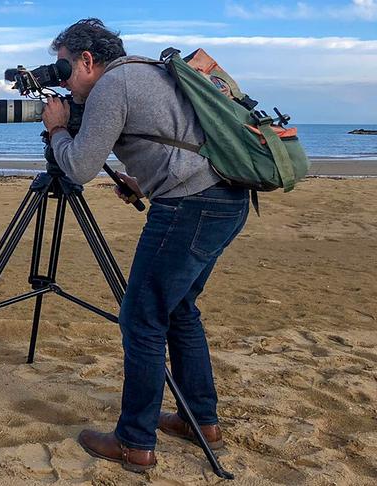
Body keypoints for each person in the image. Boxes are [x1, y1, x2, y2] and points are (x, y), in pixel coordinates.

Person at [41, 18, 249, 473]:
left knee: (142, 317)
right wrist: (145, 181)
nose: (63, 81)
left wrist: (57, 129)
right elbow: (181, 145)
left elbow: (77, 166)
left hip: (189, 209)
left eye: (63, 69)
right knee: (178, 309)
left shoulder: (113, 85)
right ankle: (200, 421)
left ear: (87, 61)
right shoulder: (150, 71)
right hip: (227, 200)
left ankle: (134, 442)